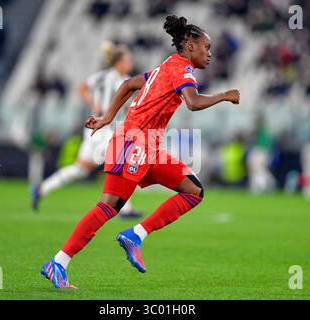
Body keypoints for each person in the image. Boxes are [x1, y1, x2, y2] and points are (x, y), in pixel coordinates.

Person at [40, 15, 240, 289]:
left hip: (147, 147)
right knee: (108, 207)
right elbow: (192, 103)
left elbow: (129, 84)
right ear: (191, 46)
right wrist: (225, 95)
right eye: (206, 47)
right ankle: (58, 262)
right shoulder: (182, 69)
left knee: (194, 191)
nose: (210, 53)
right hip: (132, 143)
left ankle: (136, 234)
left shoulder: (165, 67)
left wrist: (107, 118)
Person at [31, 42, 142, 218]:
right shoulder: (121, 81)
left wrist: (94, 105)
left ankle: (41, 189)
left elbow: (82, 89)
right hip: (105, 131)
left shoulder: (102, 76)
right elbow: (126, 107)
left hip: (95, 131)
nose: (130, 63)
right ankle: (125, 209)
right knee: (121, 163)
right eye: (127, 59)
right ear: (119, 62)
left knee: (81, 169)